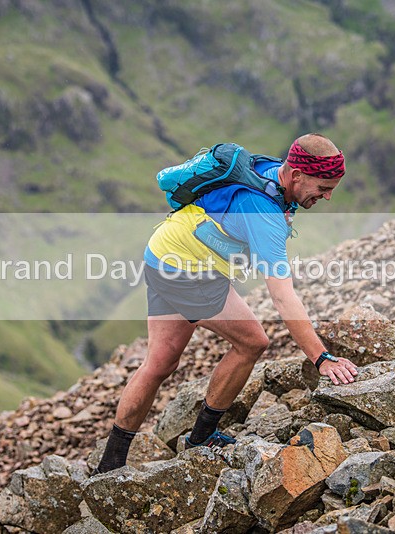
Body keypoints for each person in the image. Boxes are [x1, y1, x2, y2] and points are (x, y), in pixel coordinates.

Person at [95, 133, 358, 473]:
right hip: (188, 270)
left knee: (159, 364)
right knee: (252, 342)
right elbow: (282, 296)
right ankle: (201, 437)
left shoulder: (266, 171)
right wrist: (320, 358)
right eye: (323, 188)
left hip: (164, 251)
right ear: (296, 175)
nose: (328, 197)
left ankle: (110, 463)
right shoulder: (263, 211)